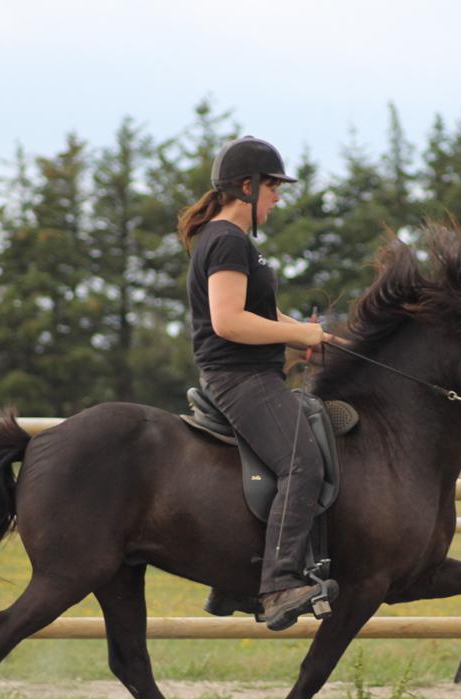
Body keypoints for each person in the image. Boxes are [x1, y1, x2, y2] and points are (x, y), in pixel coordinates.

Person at [178, 135, 338, 631]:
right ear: (246, 188)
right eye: (273, 188)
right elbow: (229, 322)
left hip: (252, 371)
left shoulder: (235, 242)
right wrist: (298, 332)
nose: (278, 198)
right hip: (240, 377)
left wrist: (309, 337)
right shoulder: (226, 239)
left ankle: (232, 578)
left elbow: (260, 313)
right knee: (301, 464)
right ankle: (279, 584)